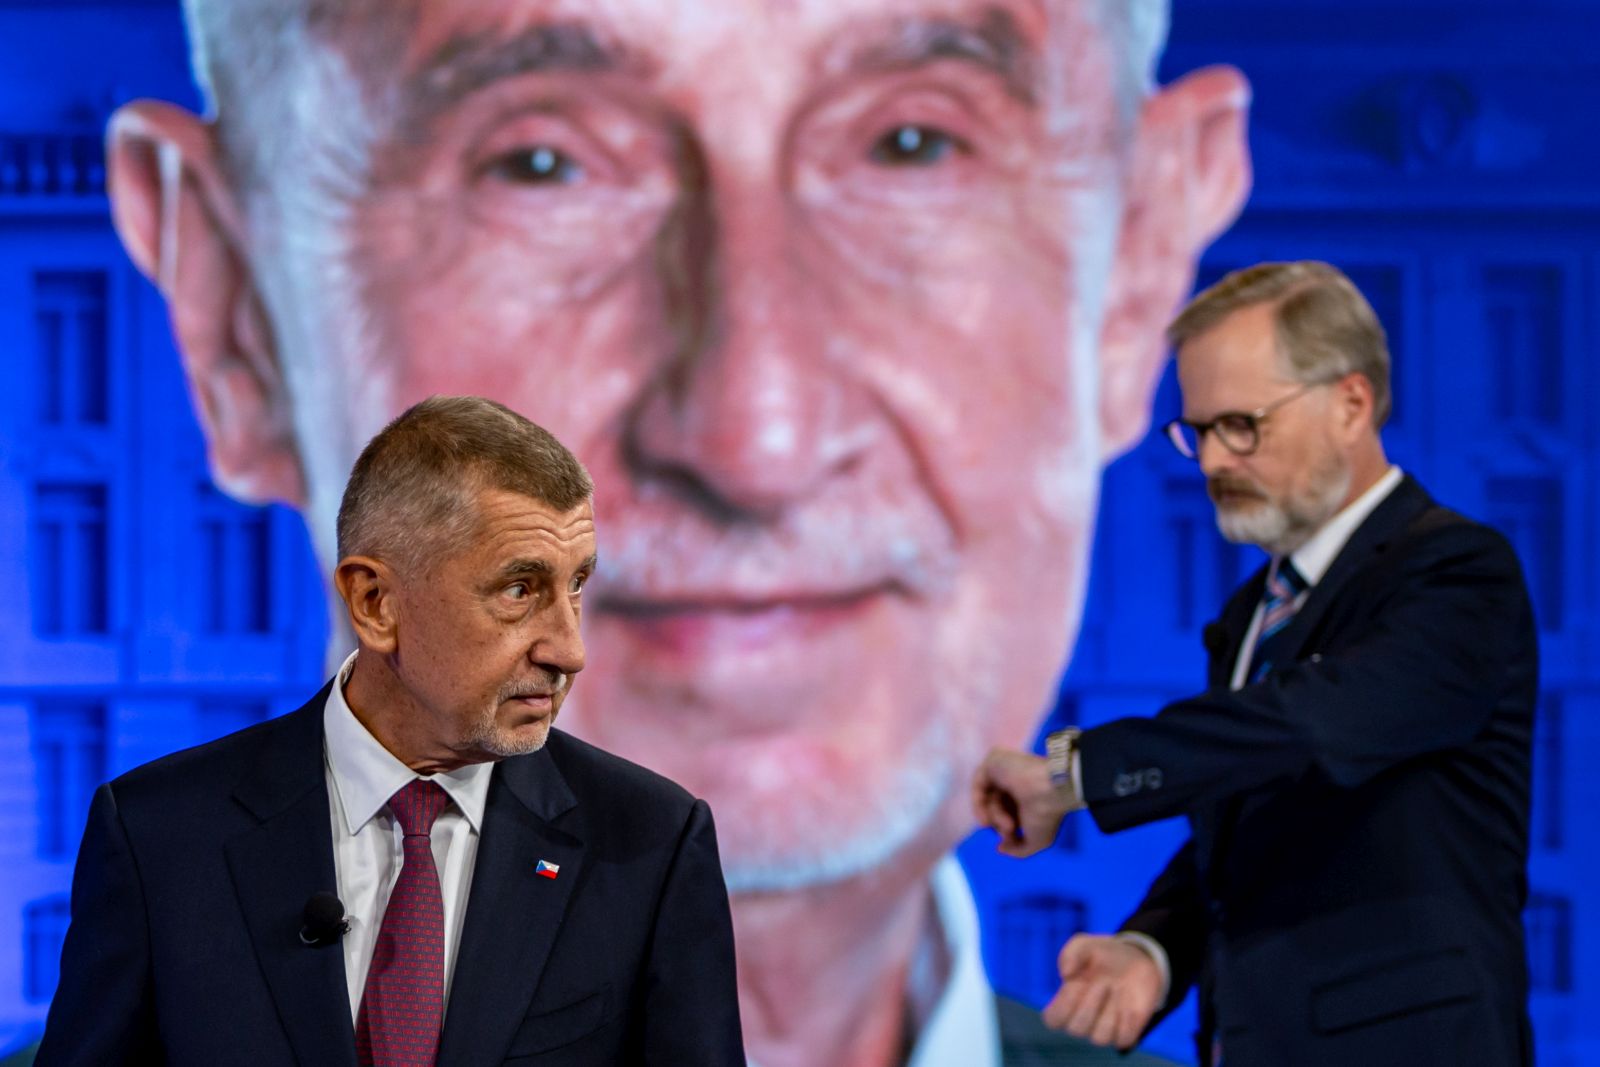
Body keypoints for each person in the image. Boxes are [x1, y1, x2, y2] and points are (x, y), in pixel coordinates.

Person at [103, 1, 1251, 1062]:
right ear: (235, 309)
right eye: (538, 164)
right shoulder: (160, 834)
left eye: (912, 145)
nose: (758, 436)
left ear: (1137, 272)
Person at [35, 397, 744, 1066]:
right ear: (375, 603)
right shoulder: (159, 838)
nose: (569, 649)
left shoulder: (649, 845)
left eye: (577, 585)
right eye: (519, 590)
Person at [973, 261, 1537, 1066]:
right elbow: (1253, 818)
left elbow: (1315, 725)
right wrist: (1154, 948)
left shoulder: (1458, 572)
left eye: (1241, 424)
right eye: (1198, 430)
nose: (1211, 461)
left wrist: (1073, 773)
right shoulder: (1252, 612)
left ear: (1351, 404)